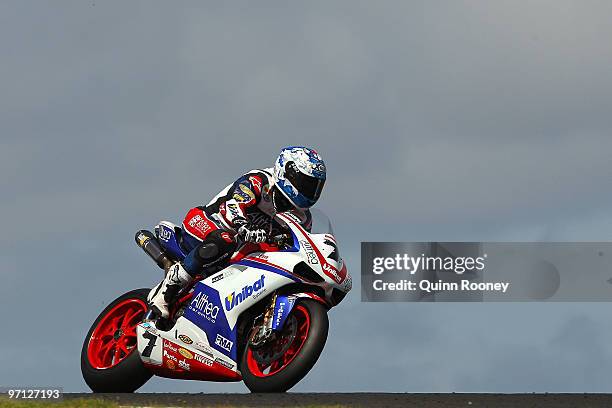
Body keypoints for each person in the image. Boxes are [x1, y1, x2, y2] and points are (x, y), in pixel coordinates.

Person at [147, 146, 327, 319]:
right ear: (288, 172)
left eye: (315, 187)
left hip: (243, 250)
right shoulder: (260, 181)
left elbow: (297, 246)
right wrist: (243, 225)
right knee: (225, 239)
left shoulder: (303, 218)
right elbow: (233, 204)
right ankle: (167, 290)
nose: (309, 191)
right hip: (208, 223)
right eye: (306, 183)